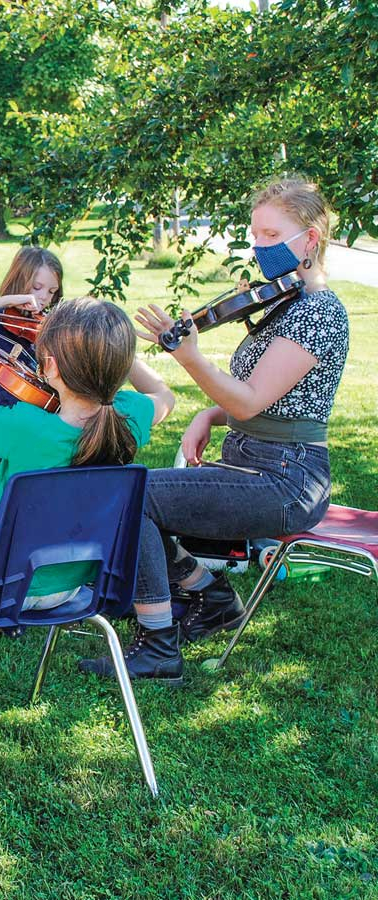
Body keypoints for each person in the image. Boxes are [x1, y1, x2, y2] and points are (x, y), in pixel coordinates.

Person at [79, 175, 349, 682]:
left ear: (309, 239)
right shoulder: (287, 307)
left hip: (285, 482)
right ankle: (211, 594)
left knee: (130, 494)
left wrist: (190, 358)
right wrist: (209, 414)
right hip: (255, 467)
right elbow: (272, 400)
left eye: (271, 236)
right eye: (256, 234)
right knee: (131, 492)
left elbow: (249, 401)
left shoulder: (319, 314)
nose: (258, 246)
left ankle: (159, 642)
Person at [0, 297, 174, 713]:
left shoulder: (26, 426)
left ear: (49, 367)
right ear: (121, 369)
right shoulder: (132, 416)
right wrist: (122, 363)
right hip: (71, 586)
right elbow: (164, 393)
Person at [0, 246, 64, 406]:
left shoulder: (47, 325)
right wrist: (8, 300)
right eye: (37, 287)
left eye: (52, 291)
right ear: (19, 281)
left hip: (45, 409)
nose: (44, 297)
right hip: (9, 413)